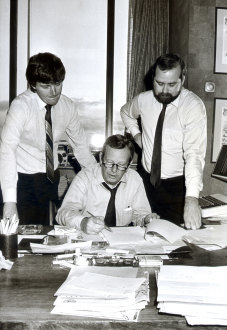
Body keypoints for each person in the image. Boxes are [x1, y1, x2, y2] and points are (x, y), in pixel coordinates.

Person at [0, 52, 96, 225]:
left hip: (51, 177)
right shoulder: (21, 106)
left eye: (58, 84)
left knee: (47, 234)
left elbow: (81, 147)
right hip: (21, 178)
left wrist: (98, 179)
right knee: (20, 236)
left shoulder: (67, 106)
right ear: (33, 85)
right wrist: (9, 201)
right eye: (46, 85)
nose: (54, 92)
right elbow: (6, 151)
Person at [120, 53, 207, 230]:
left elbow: (194, 155)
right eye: (160, 83)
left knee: (175, 244)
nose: (165, 90)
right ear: (153, 78)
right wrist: (138, 136)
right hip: (145, 182)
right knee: (140, 237)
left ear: (182, 79)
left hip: (176, 188)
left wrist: (191, 200)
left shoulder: (193, 107)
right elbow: (126, 113)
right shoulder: (143, 100)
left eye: (172, 84)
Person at [56, 134, 159, 234]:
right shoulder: (85, 177)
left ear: (129, 165)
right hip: (89, 238)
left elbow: (140, 214)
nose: (114, 170)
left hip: (121, 241)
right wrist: (83, 222)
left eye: (121, 165)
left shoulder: (135, 180)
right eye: (109, 163)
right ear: (101, 158)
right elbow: (63, 213)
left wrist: (146, 219)